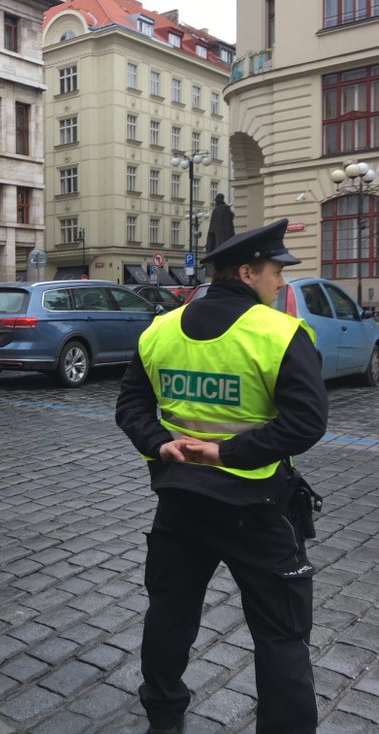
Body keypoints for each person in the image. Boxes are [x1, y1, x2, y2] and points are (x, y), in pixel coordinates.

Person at [115, 219, 328, 734]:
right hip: (257, 509)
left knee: (169, 614)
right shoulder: (279, 333)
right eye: (276, 272)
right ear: (248, 271)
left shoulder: (161, 329)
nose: (281, 283)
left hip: (179, 502)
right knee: (280, 634)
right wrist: (227, 450)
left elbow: (131, 405)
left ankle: (164, 720)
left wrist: (159, 444)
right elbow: (306, 422)